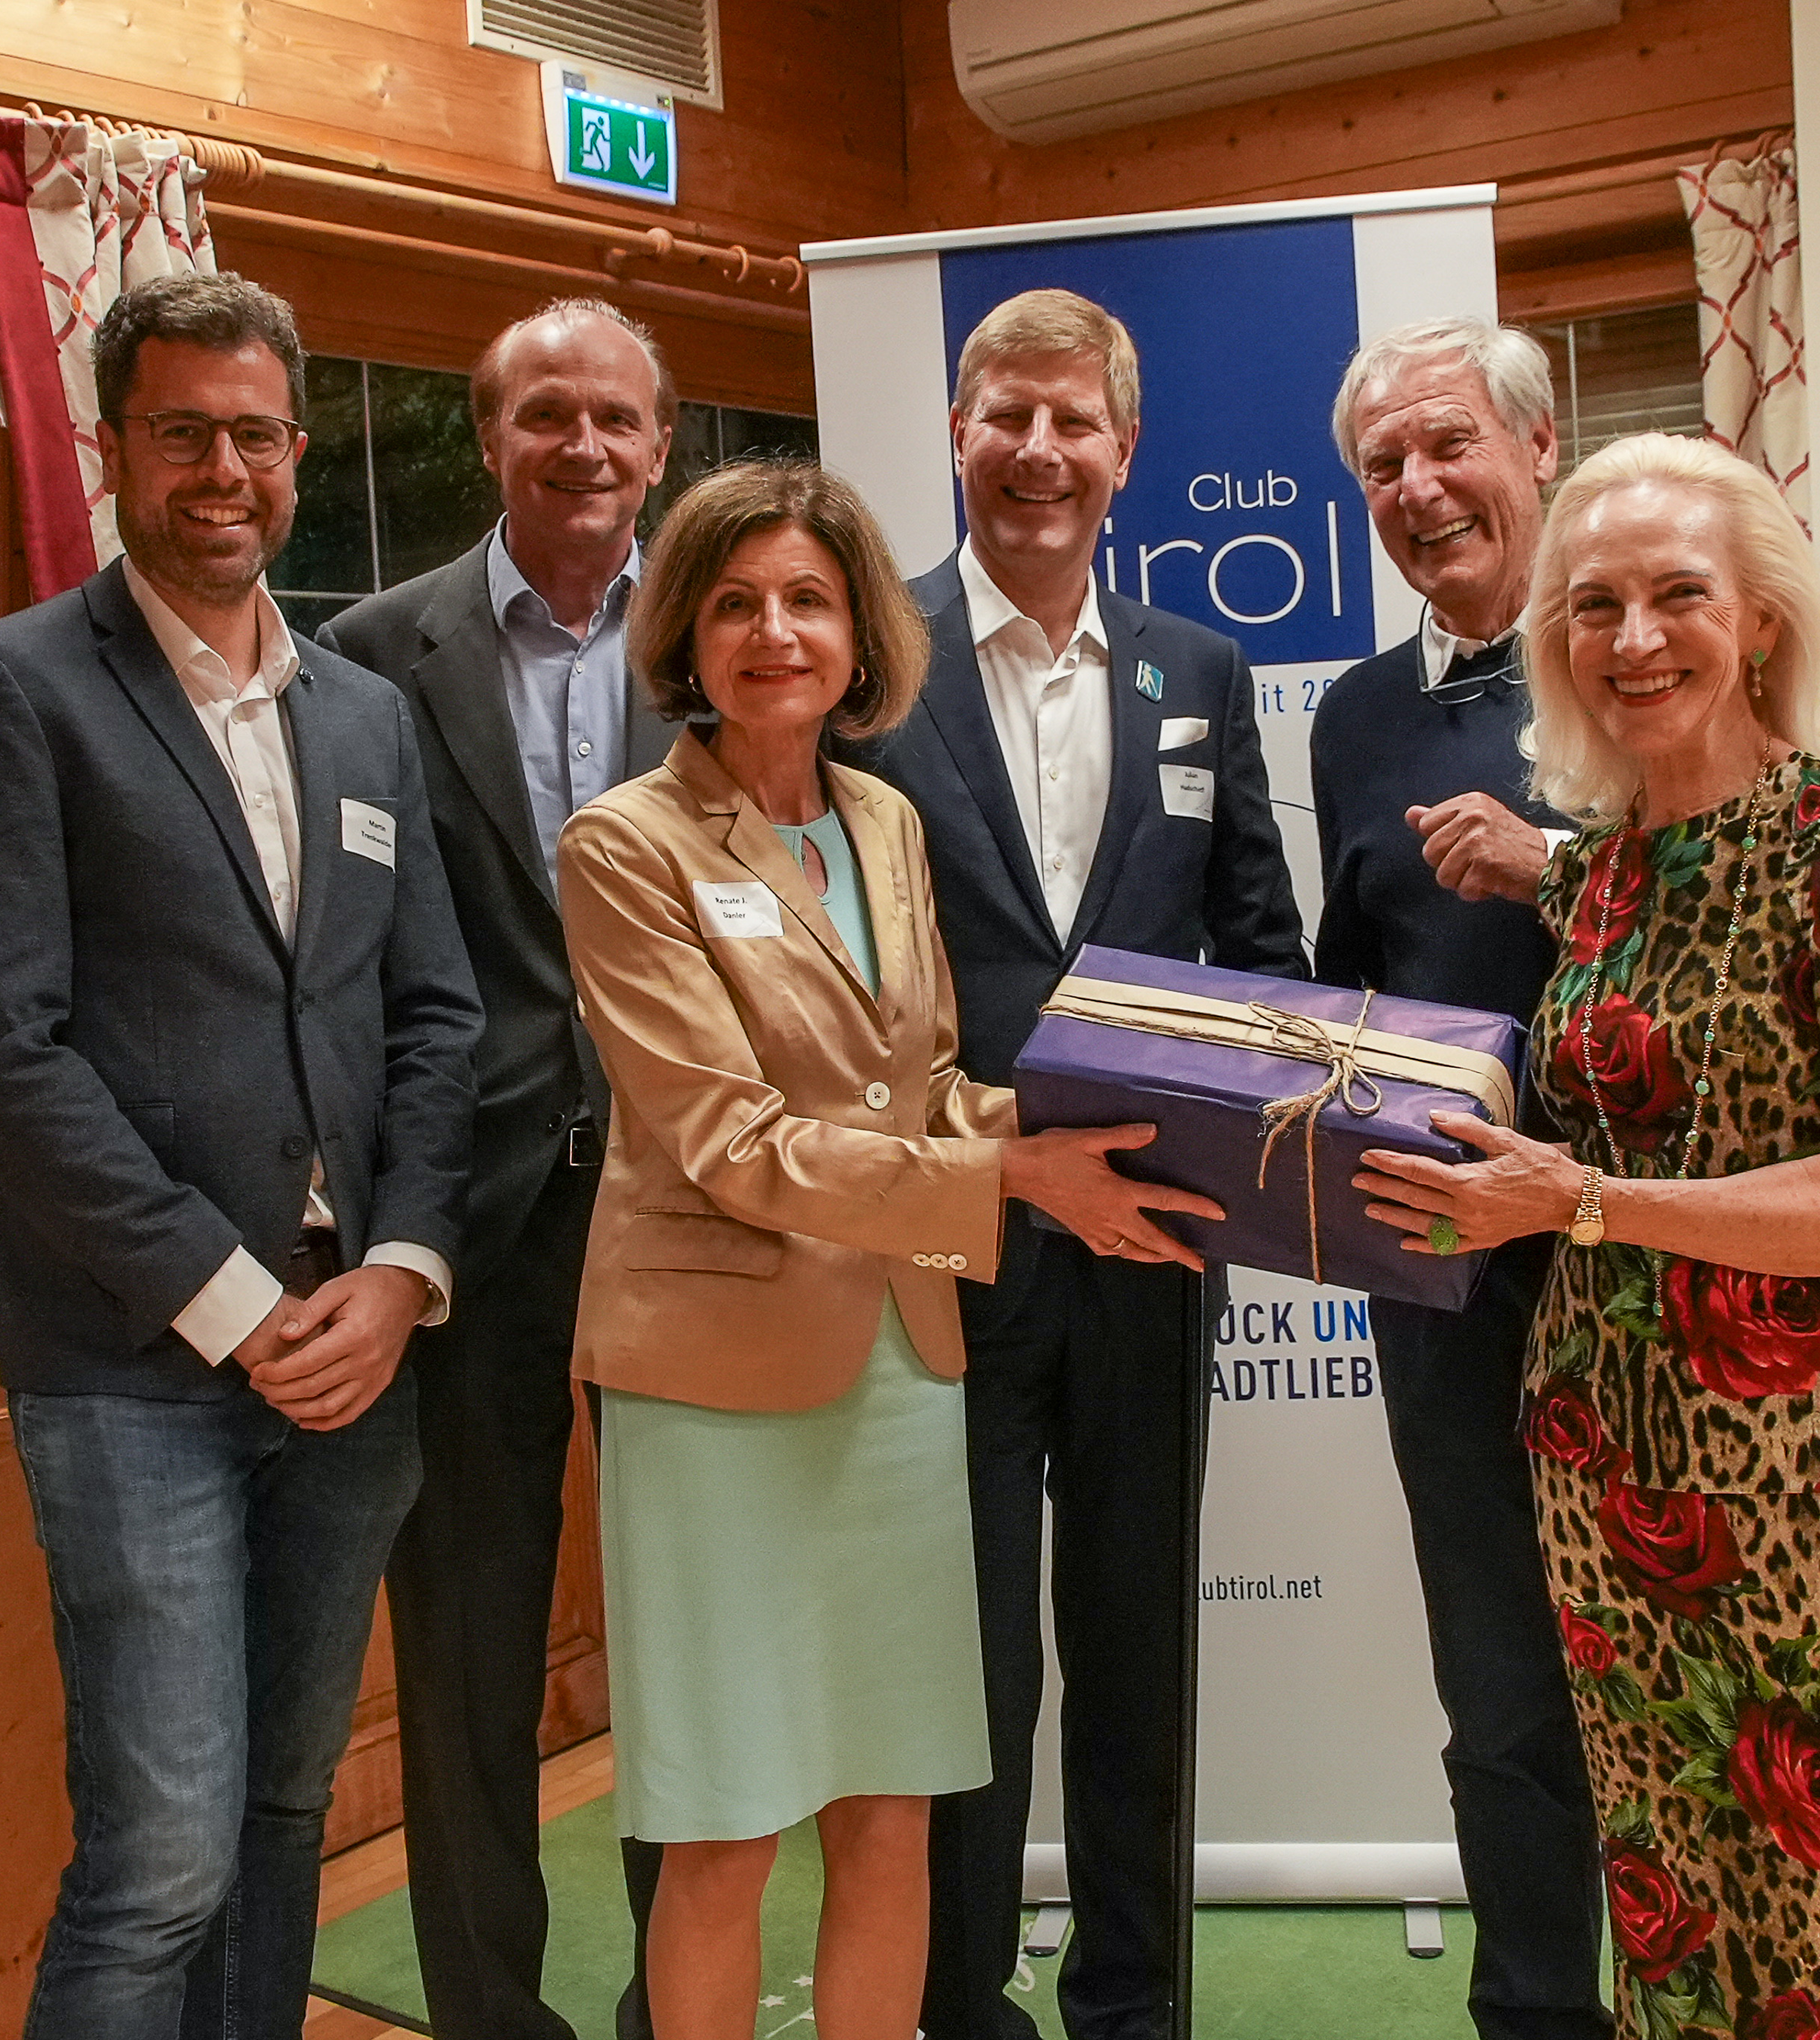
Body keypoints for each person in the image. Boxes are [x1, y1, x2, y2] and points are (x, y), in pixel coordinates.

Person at [1355, 432, 1820, 2038]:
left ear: (1759, 619)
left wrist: (1580, 1201)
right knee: (1681, 1905)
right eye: (1591, 605)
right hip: (1601, 1465)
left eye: (1677, 595)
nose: (1633, 639)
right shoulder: (1604, 875)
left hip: (1808, 1480)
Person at [552, 459, 1218, 2040]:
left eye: (807, 599)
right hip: (714, 1391)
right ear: (684, 635)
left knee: (892, 1805)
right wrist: (1011, 1180)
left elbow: (920, 1092)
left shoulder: (884, 820)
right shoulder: (625, 845)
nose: (773, 633)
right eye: (734, 604)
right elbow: (727, 1141)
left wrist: (1099, 1124)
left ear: (860, 634)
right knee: (722, 1826)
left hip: (903, 1372)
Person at [0, 271, 483, 2038]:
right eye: (181, 433)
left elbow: (434, 1019)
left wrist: (400, 1273)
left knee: (284, 1813)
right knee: (157, 1859)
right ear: (114, 448)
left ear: (294, 451)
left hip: (355, 1350)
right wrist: (232, 1305)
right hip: (134, 1365)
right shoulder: (8, 691)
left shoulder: (364, 714)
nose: (221, 471)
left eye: (253, 434)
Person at [862, 286, 1306, 2040]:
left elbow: (1258, 946)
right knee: (961, 1666)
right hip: (941, 1248)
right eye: (1007, 415)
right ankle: (961, 2006)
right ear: (956, 432)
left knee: (1136, 1654)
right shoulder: (865, 654)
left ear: (1125, 449)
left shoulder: (1196, 667)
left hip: (1149, 1249)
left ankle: (1133, 2007)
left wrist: (1249, 1149)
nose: (1037, 452)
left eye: (1073, 422)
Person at [317, 296, 673, 2040]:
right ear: (489, 438)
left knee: (690, 1631)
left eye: (614, 417)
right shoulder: (370, 655)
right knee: (465, 1649)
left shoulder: (731, 630)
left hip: (693, 1208)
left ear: (658, 447)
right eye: (546, 414)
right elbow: (343, 953)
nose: (581, 446)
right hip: (467, 1219)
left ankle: (677, 2002)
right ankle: (487, 2016)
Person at [1311, 316, 1605, 2040]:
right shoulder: (1356, 715)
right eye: (1382, 466)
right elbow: (1349, 979)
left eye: (1447, 446)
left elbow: (1736, 899)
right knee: (1496, 1684)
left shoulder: (1642, 650)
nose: (1417, 488)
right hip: (1442, 1277)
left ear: (1536, 444)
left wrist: (1548, 862)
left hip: (1648, 1262)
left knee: (1684, 1667)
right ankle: (1535, 2015)